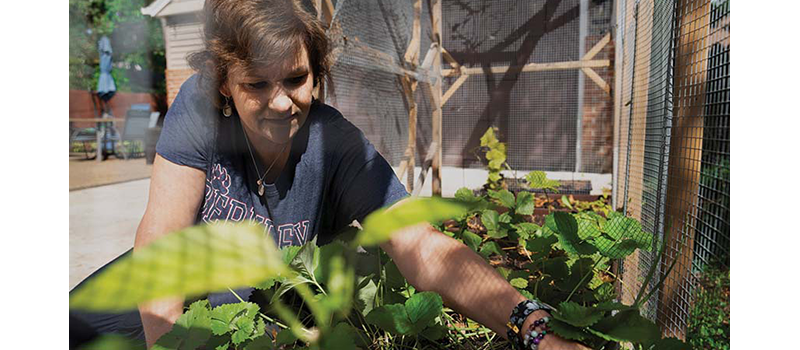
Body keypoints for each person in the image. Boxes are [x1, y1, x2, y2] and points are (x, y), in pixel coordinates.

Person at [71, 1, 590, 349]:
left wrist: (532, 327)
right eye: (256, 84)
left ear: (316, 72)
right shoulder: (198, 108)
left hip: (271, 312)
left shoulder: (336, 145)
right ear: (224, 83)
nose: (282, 102)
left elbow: (424, 247)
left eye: (296, 78)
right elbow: (162, 235)